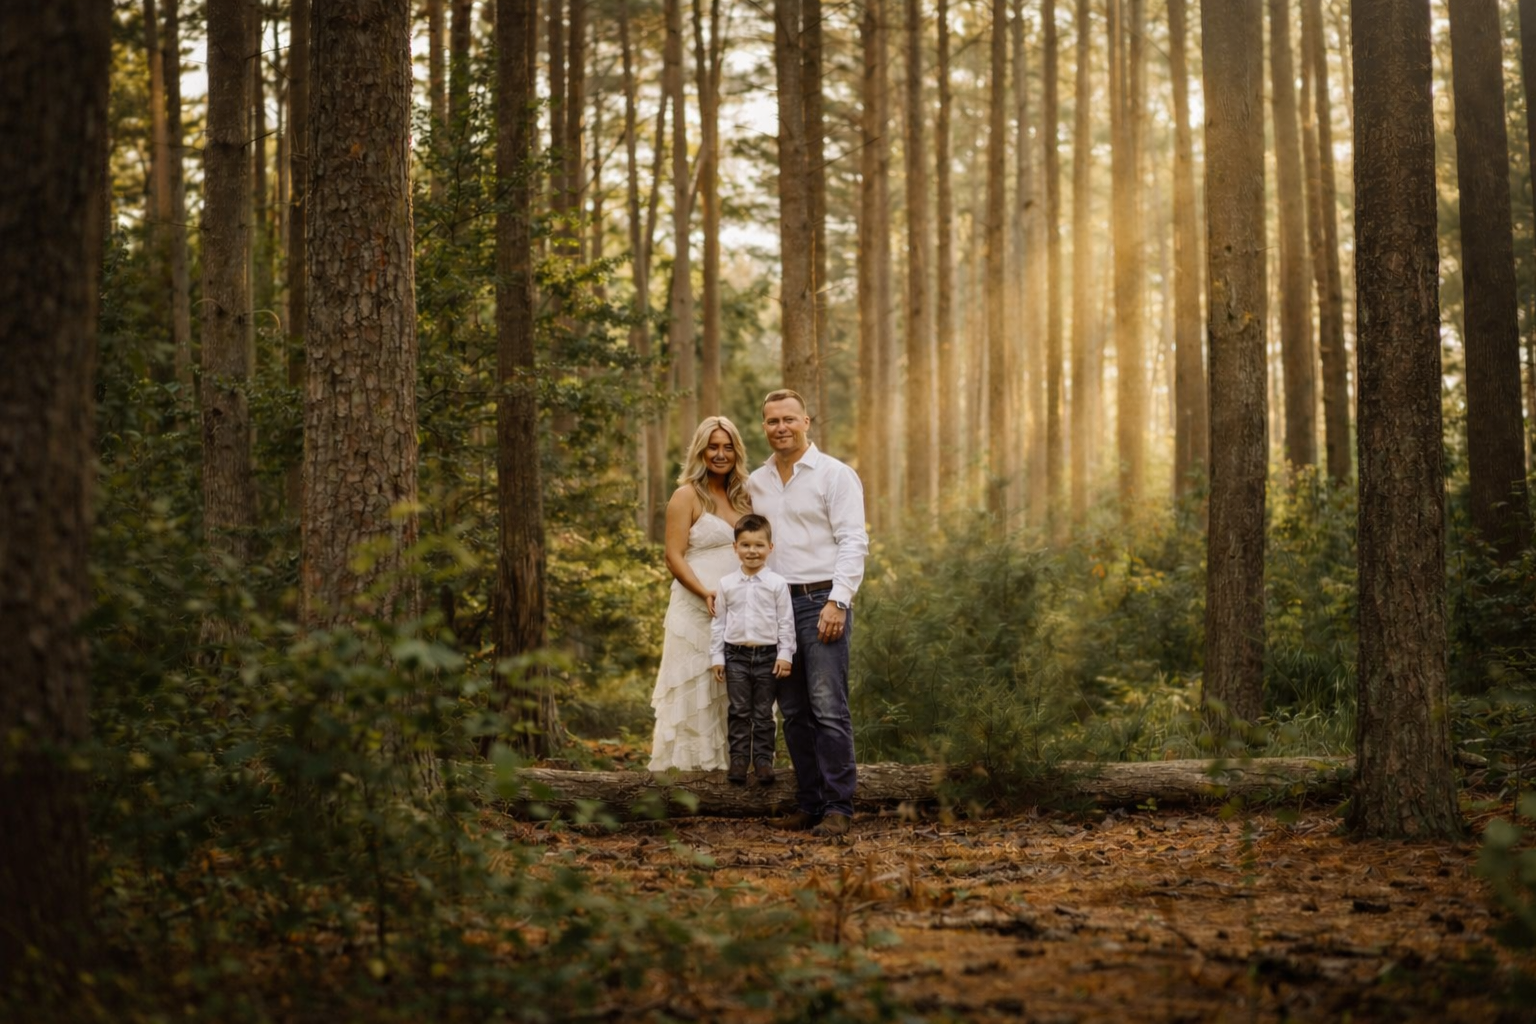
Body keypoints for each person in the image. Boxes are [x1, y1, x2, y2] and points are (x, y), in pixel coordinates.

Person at [746, 389, 869, 838]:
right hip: (776, 605)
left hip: (821, 602)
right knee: (793, 710)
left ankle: (839, 808)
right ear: (764, 426)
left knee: (827, 707)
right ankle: (809, 803)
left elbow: (853, 540)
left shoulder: (834, 475)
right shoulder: (756, 482)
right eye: (772, 421)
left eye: (789, 419)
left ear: (806, 422)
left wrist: (839, 600)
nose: (781, 427)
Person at [648, 416, 754, 772]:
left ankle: (733, 772)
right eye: (713, 446)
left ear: (736, 451)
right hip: (696, 607)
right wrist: (704, 592)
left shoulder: (746, 497)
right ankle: (686, 776)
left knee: (733, 690)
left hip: (739, 610)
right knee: (695, 686)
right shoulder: (686, 496)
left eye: (727, 446)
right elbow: (673, 555)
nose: (720, 454)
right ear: (701, 451)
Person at [710, 514, 796, 786]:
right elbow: (718, 623)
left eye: (759, 545)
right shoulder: (726, 584)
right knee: (738, 710)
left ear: (770, 548)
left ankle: (762, 761)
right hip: (735, 656)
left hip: (768, 657)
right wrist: (717, 657)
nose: (752, 551)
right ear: (735, 548)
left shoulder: (777, 584)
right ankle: (738, 761)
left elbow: (786, 622)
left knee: (763, 712)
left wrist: (785, 654)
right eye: (745, 545)